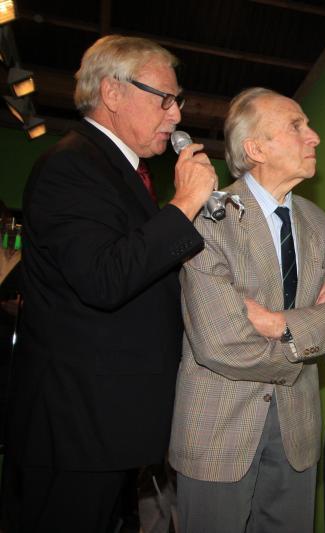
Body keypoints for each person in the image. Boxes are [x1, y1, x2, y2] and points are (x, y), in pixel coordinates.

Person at [0, 35, 217, 532]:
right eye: (165, 98)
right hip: (74, 430)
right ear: (113, 92)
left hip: (108, 425)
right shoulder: (72, 165)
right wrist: (185, 204)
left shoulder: (122, 172)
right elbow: (104, 278)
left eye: (178, 101)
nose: (176, 115)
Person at [168, 87, 325, 533]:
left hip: (298, 432)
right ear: (256, 149)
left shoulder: (319, 224)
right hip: (217, 432)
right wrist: (309, 334)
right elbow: (220, 341)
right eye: (297, 126)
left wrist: (278, 324)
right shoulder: (206, 216)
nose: (314, 137)